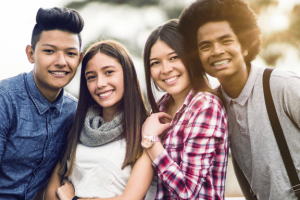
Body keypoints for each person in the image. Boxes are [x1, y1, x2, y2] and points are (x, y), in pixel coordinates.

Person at [178, 0, 300, 199]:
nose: (217, 51)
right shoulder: (213, 106)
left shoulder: (283, 86)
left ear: (245, 45)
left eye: (226, 41)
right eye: (205, 46)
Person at [44, 40, 156, 200]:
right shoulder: (76, 127)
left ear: (128, 73)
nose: (100, 84)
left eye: (109, 72)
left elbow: (130, 199)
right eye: (91, 77)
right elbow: (51, 193)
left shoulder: (145, 132)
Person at [0, 7, 84, 200]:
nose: (61, 61)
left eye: (70, 54)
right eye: (49, 51)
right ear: (31, 54)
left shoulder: (74, 111)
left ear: (79, 59)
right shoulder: (5, 99)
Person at [141, 19, 229, 200]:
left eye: (174, 57)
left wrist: (150, 140)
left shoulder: (205, 106)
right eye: (155, 63)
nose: (165, 69)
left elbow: (187, 191)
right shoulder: (161, 107)